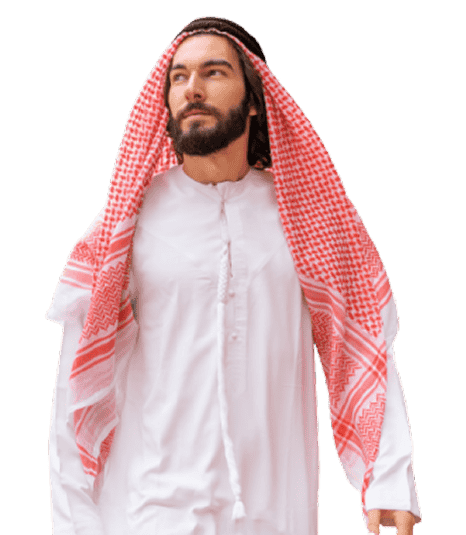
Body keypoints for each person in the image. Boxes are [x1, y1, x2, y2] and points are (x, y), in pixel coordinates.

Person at [47, 16, 421, 535]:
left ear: (254, 100)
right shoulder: (125, 225)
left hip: (277, 515)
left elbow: (364, 349)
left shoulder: (307, 217)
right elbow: (76, 386)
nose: (192, 89)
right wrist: (73, 524)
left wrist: (389, 480)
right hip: (150, 514)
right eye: (178, 77)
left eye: (214, 72)